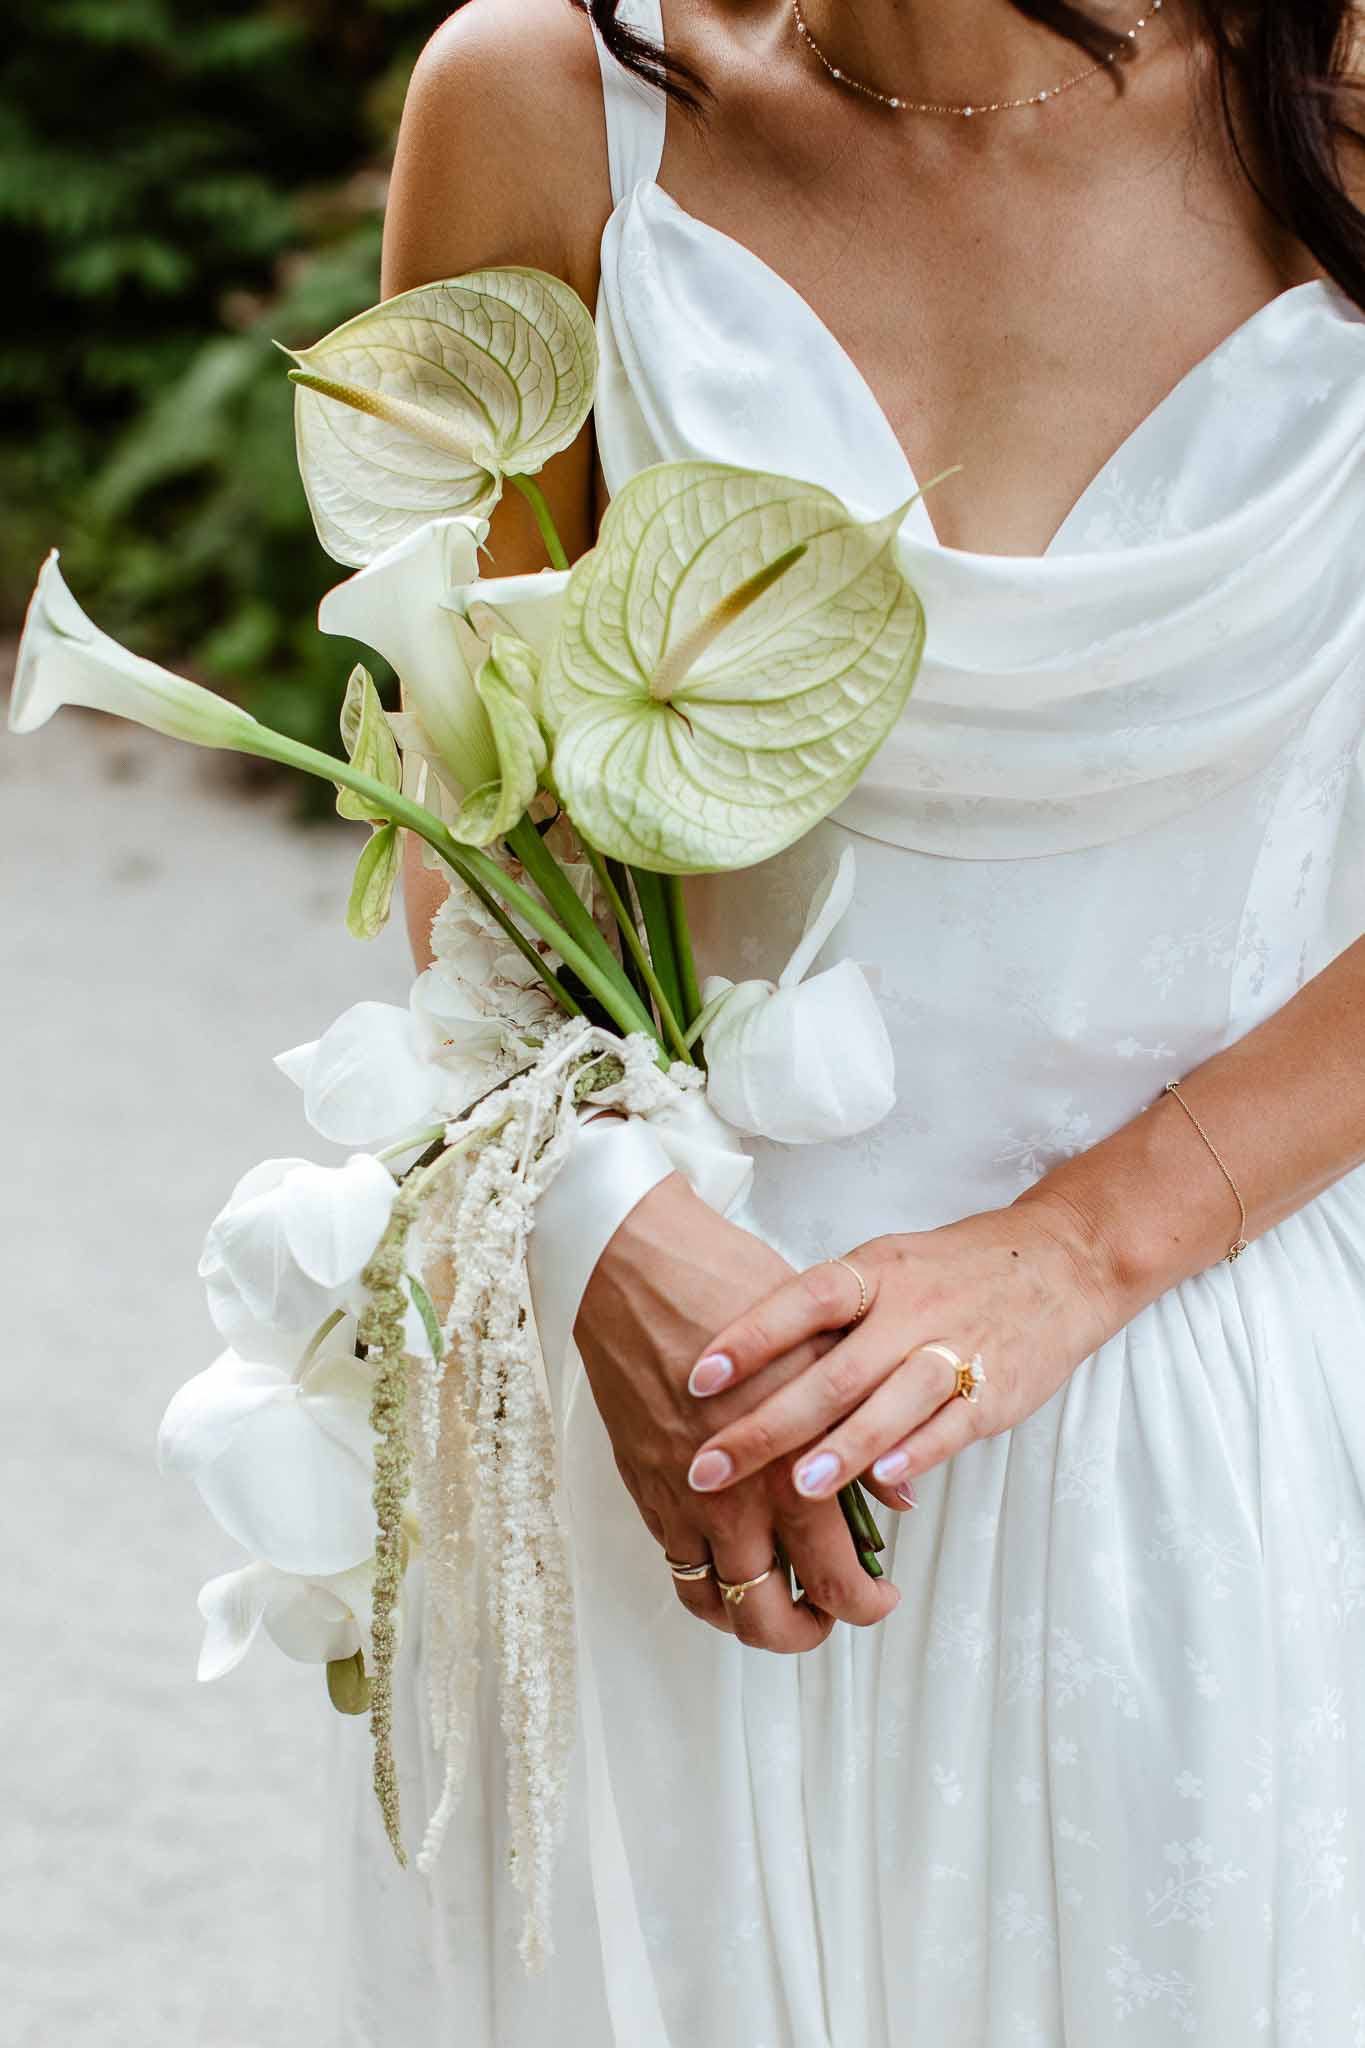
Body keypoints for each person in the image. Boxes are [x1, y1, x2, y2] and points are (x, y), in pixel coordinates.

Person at [325, 1, 1365, 2040]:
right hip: (683, 1410)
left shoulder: (1339, 105)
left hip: (1203, 1412)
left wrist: (1078, 1246)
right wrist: (584, 1214)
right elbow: (475, 810)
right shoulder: (540, 113)